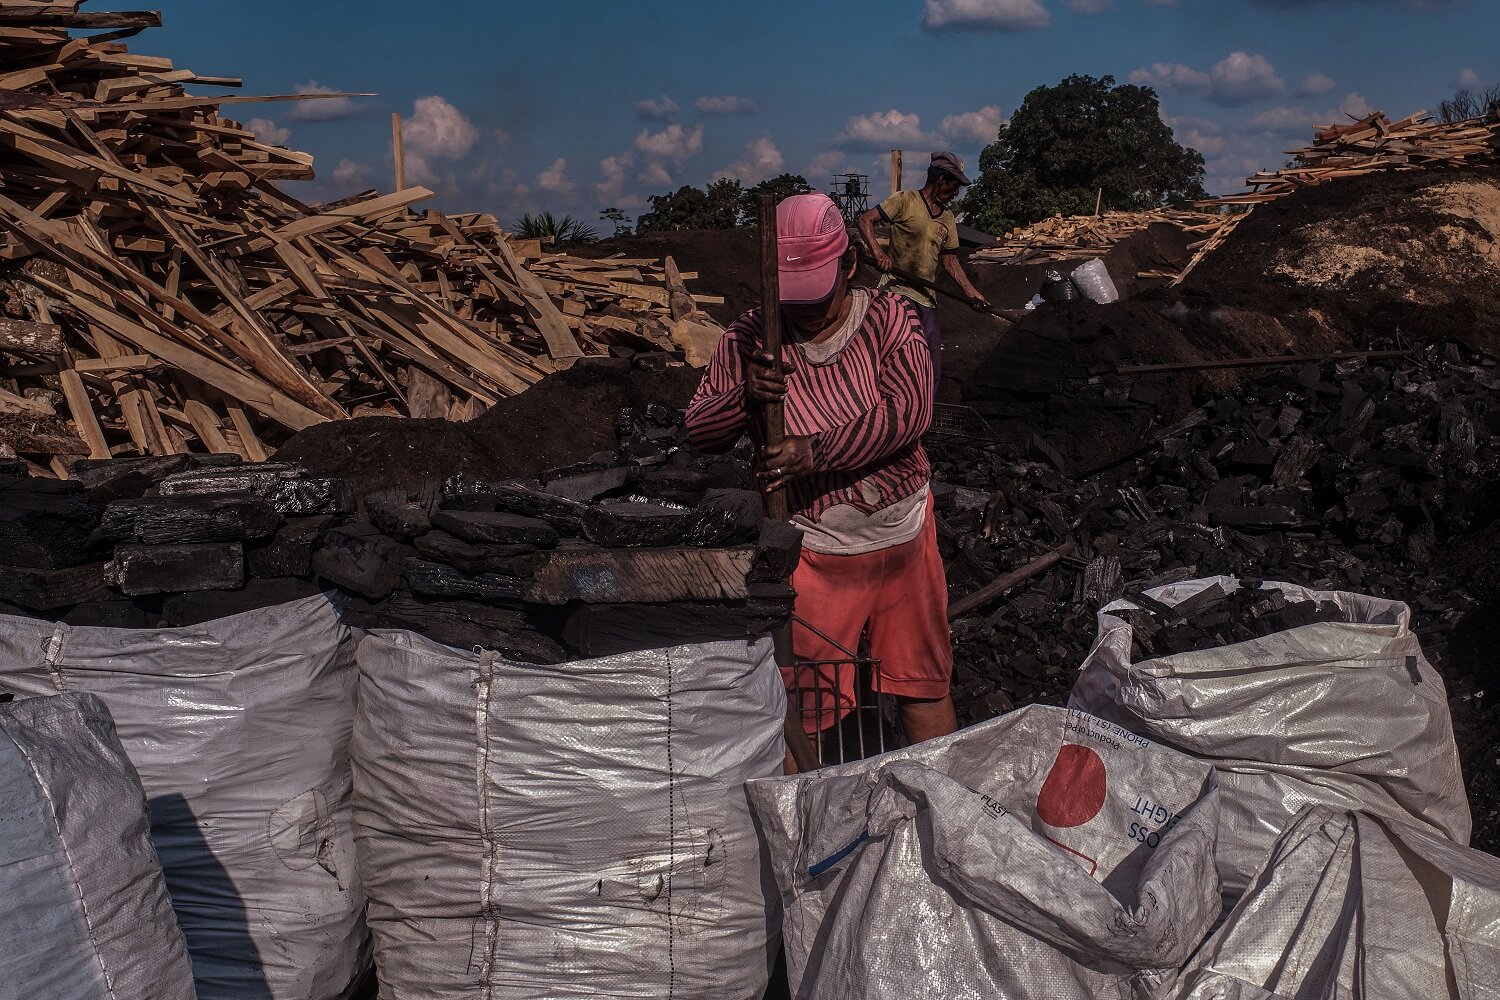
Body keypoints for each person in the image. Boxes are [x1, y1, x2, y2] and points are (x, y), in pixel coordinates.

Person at [685, 193, 957, 764]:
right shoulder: (749, 338)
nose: (805, 314)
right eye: (792, 300)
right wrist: (744, 398)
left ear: (849, 266)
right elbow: (699, 432)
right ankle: (806, 827)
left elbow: (910, 414)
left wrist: (817, 452)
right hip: (811, 549)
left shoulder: (888, 318)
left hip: (902, 538)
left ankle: (943, 805)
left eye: (818, 296)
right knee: (802, 704)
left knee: (920, 685)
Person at [856, 151, 990, 386]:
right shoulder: (904, 200)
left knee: (930, 365)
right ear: (941, 180)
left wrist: (972, 292)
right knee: (895, 359)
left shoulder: (947, 218)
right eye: (955, 185)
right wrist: (878, 253)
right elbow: (865, 220)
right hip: (896, 294)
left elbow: (950, 261)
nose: (957, 192)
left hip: (926, 299)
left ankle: (926, 414)